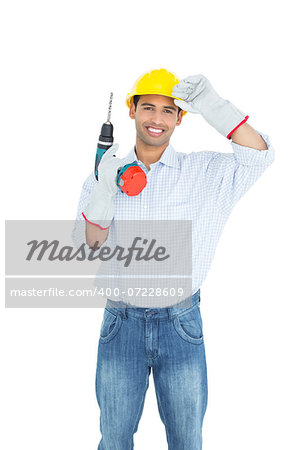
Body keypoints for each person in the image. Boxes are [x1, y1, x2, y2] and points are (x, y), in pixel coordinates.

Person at [73, 68, 275, 449]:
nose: (156, 119)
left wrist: (216, 108)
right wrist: (103, 192)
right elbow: (89, 248)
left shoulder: (204, 173)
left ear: (181, 118)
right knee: (114, 439)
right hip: (121, 324)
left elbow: (258, 158)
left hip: (181, 325)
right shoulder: (104, 174)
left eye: (168, 111)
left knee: (186, 439)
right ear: (131, 111)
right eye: (148, 107)